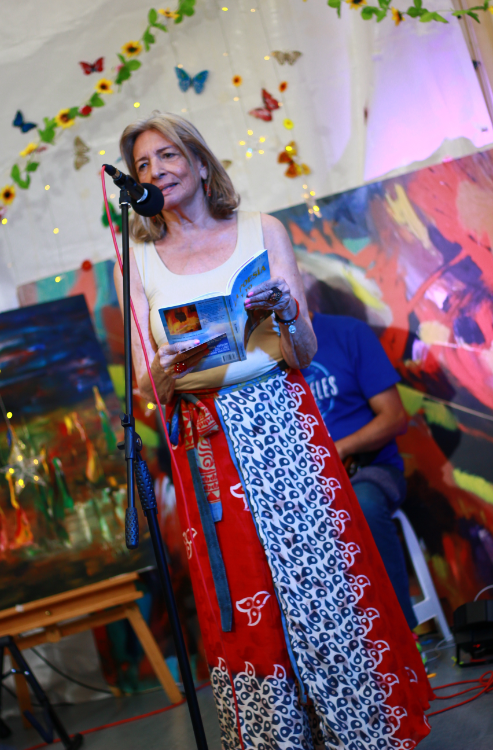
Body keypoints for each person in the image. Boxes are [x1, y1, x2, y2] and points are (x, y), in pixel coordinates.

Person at [114, 112, 432, 750]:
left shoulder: (263, 230)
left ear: (199, 162)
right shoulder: (138, 260)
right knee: (245, 599)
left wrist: (286, 312)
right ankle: (275, 740)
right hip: (207, 438)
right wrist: (166, 371)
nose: (156, 171)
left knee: (319, 583)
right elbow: (146, 384)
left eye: (168, 155)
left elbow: (303, 350)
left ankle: (359, 731)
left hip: (280, 421)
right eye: (143, 164)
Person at [301, 306, 418, 631]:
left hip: (368, 469)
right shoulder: (264, 356)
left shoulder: (348, 333)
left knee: (363, 506)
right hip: (307, 486)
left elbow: (395, 417)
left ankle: (403, 634)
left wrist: (340, 449)